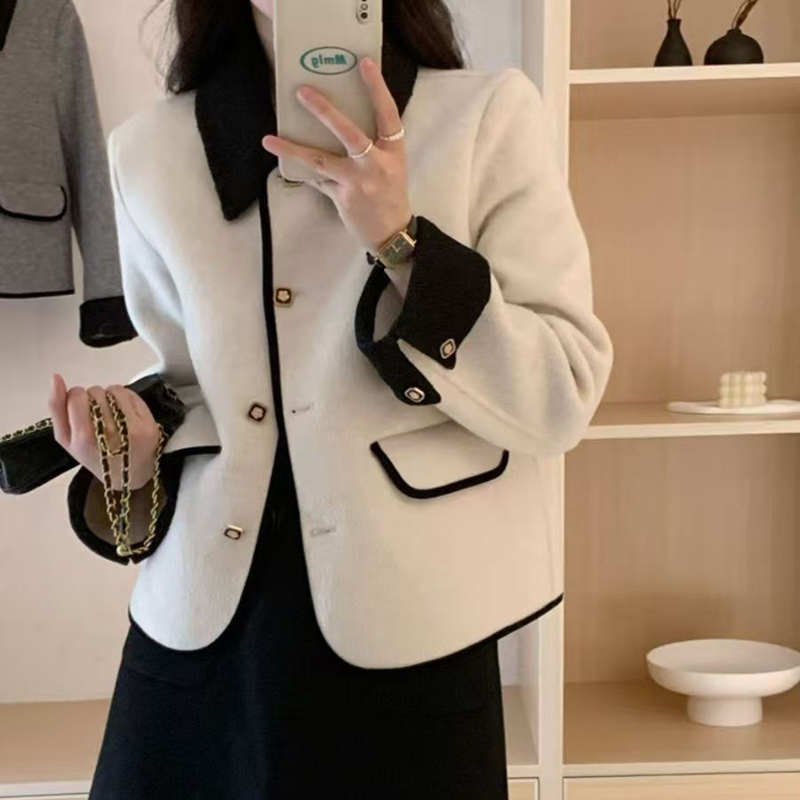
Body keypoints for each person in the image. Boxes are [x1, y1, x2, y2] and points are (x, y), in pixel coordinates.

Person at [48, 0, 614, 797]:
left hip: (414, 627)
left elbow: (561, 393)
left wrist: (401, 242)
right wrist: (134, 456)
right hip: (206, 632)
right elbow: (189, 391)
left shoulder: (486, 117)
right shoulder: (147, 152)